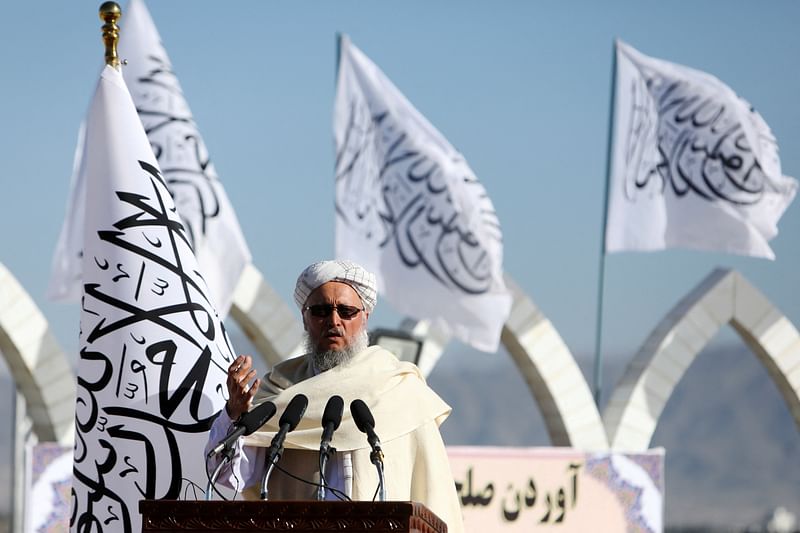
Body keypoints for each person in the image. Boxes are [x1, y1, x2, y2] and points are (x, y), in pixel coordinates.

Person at [205, 259, 464, 532]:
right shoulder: (280, 393)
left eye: (347, 311)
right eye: (320, 311)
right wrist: (234, 413)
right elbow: (225, 473)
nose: (333, 320)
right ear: (305, 319)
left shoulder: (400, 391)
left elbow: (434, 494)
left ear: (365, 318)